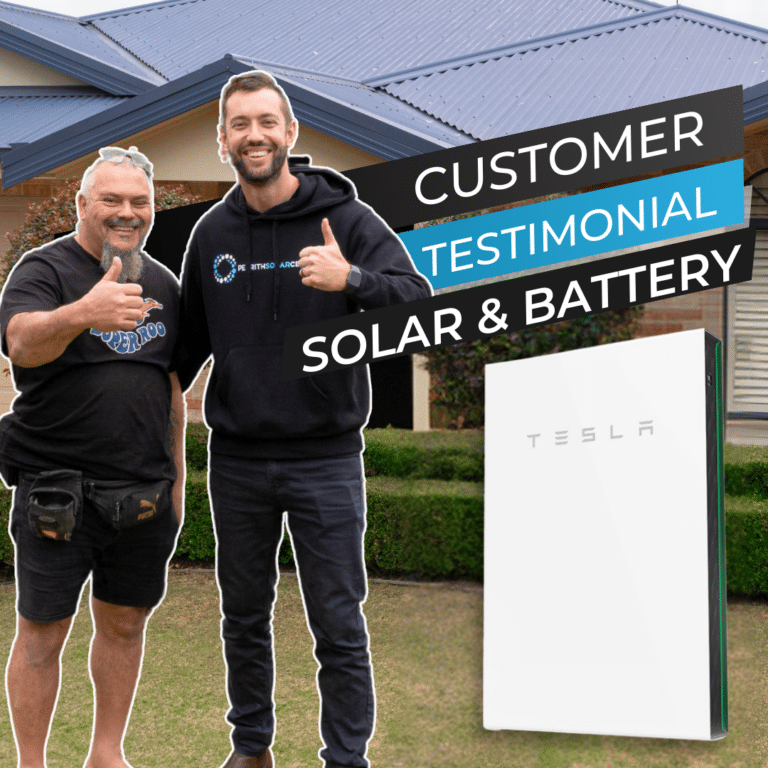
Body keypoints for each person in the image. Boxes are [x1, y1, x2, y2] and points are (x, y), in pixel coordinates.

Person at [177, 70, 432, 768]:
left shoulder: (348, 221)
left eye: (267, 121)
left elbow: (417, 301)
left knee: (339, 624)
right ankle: (250, 748)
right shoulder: (212, 232)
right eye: (240, 124)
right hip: (236, 461)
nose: (253, 135)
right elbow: (187, 345)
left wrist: (350, 279)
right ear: (223, 139)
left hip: (326, 459)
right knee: (243, 619)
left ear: (290, 133)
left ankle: (345, 758)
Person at [0, 146, 185, 768]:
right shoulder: (44, 269)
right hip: (57, 492)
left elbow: (171, 389)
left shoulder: (162, 283)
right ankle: (32, 763)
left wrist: (178, 484)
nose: (126, 213)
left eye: (139, 202)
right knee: (43, 631)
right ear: (83, 204)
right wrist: (86, 312)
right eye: (112, 200)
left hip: (142, 494)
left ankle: (107, 753)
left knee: (126, 623)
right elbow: (21, 344)